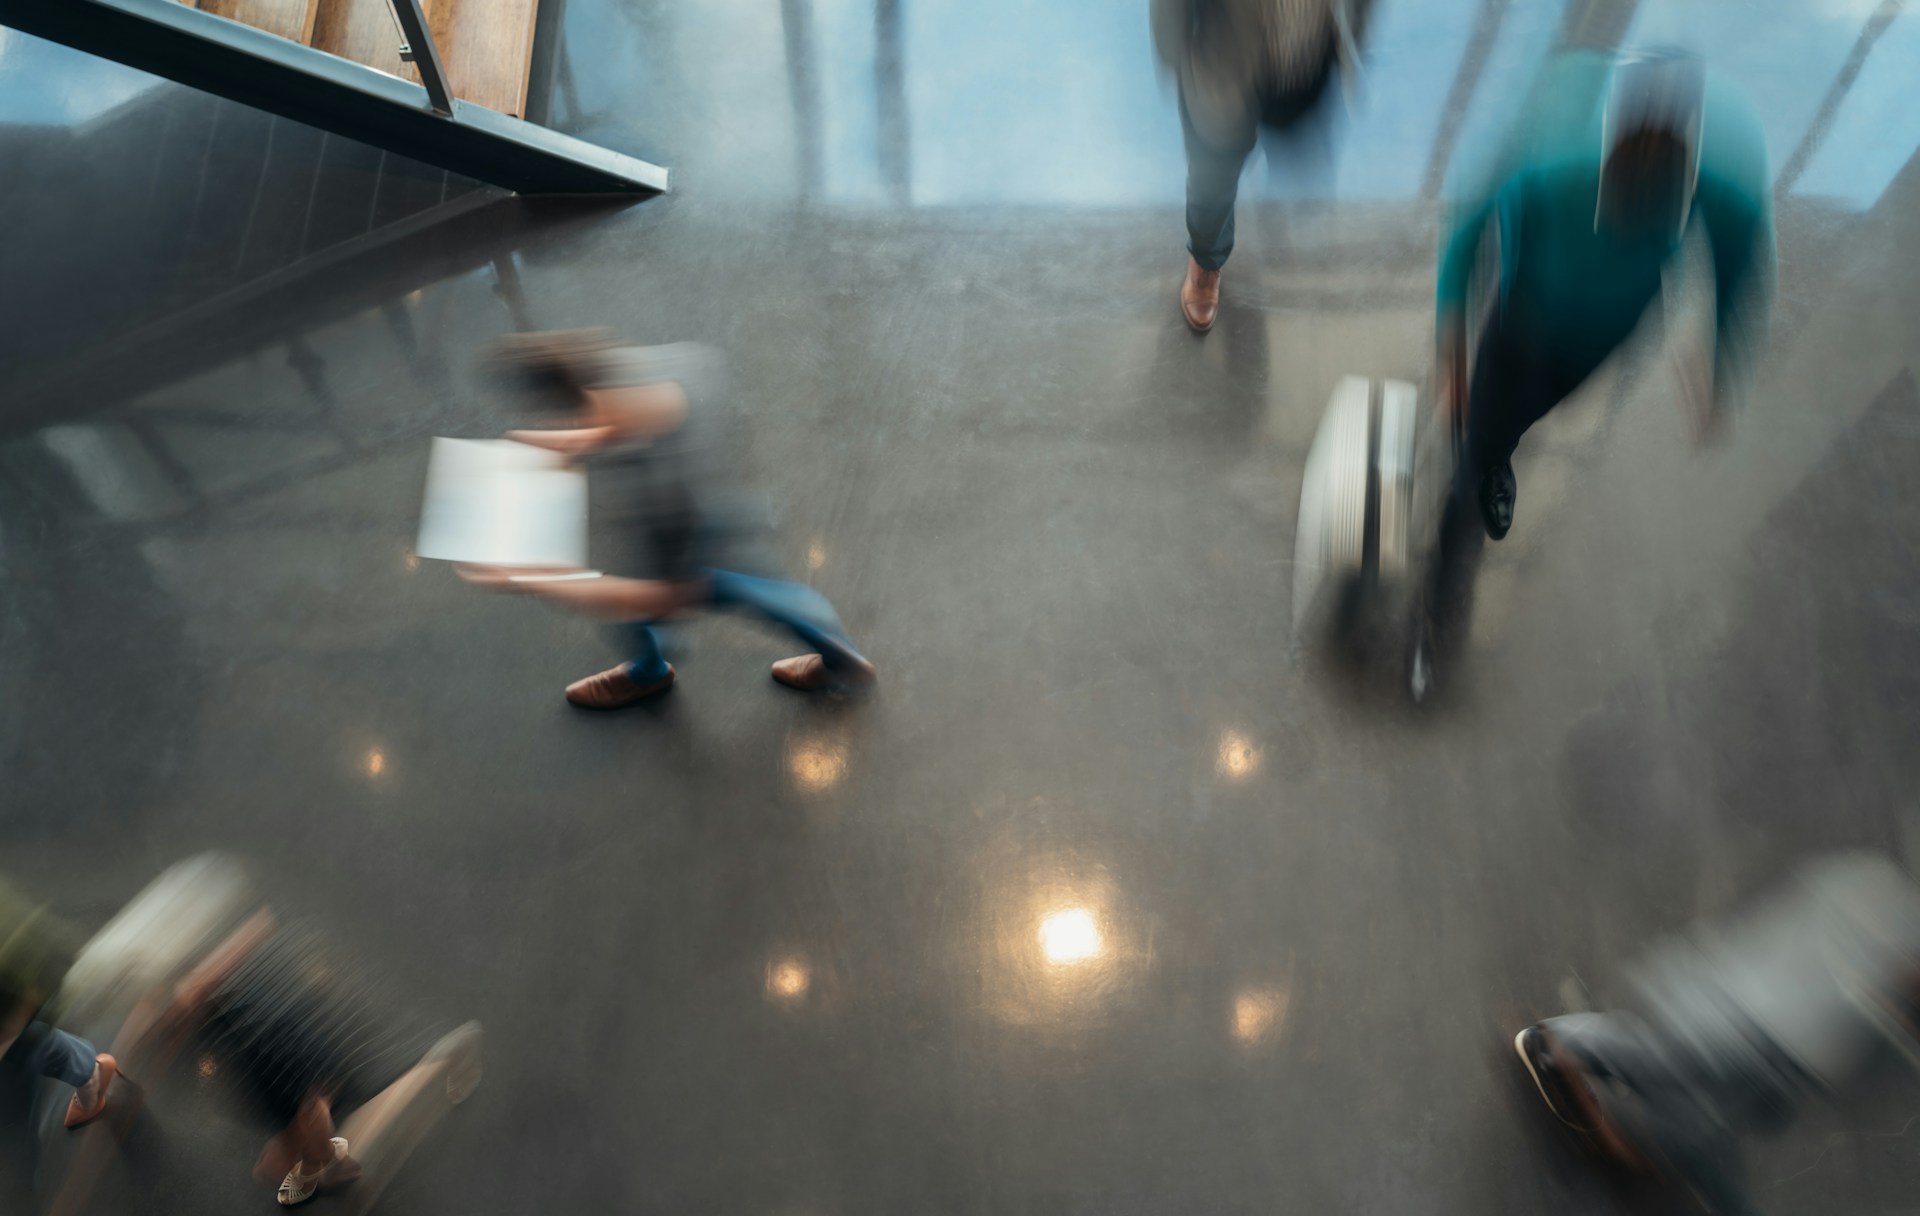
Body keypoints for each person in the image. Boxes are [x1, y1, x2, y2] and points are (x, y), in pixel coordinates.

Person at [1417, 48, 1774, 690]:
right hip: (1521, 325)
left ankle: (1497, 453)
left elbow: (1739, 252)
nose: (1638, 205)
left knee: (1521, 420)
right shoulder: (1553, 145)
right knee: (1474, 459)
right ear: (1608, 147)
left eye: (1660, 189)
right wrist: (1451, 340)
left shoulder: (1721, 171)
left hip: (1604, 335)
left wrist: (1717, 356)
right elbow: (1470, 219)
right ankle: (1441, 611)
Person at [457, 331, 877, 710]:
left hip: (694, 544)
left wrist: (528, 579)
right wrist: (565, 443)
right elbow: (632, 418)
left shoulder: (672, 488)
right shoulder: (669, 368)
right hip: (710, 514)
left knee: (732, 594)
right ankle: (840, 658)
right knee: (764, 593)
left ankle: (652, 673)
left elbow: (662, 596)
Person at [1513, 854, 1920, 1216]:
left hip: (1761, 1043)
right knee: (1669, 1065)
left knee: (1699, 1124)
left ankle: (1621, 1100)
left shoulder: (1880, 900)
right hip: (1749, 1028)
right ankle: (1561, 1043)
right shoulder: (1881, 908)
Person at [1153, 0, 1367, 332]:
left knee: (1292, 146)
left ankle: (1257, 158)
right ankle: (1207, 258)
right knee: (1212, 182)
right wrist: (1175, 56)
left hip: (1302, 58)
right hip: (1222, 67)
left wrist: (1354, 32)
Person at [0, 878, 120, 1130]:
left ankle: (90, 1075)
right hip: (18, 969)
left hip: (15, 985)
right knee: (24, 1041)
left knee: (26, 1043)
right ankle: (89, 1071)